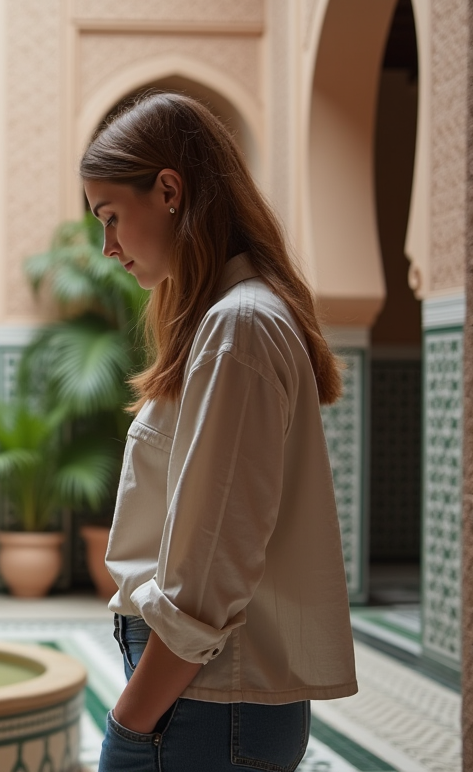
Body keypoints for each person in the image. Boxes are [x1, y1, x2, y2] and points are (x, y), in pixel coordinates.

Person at [82, 92, 357, 772]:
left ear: (169, 190)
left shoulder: (238, 328)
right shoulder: (233, 319)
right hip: (208, 700)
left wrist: (129, 725)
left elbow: (209, 573)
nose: (109, 247)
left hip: (208, 707)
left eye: (111, 217)